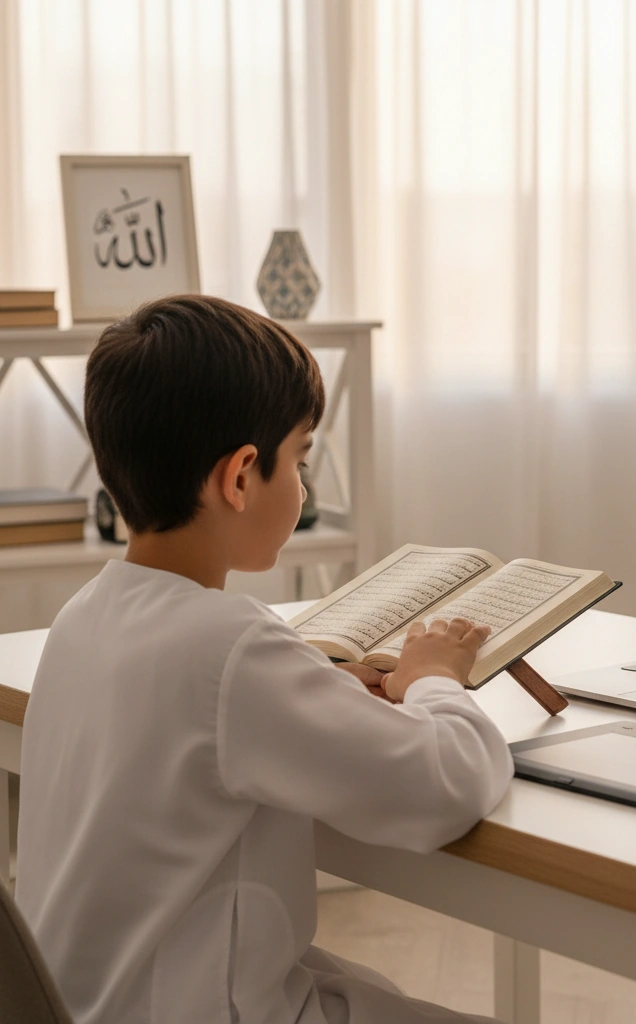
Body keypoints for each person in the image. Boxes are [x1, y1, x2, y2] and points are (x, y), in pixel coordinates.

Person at [15, 296, 514, 1024]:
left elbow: (204, 718)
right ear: (241, 476)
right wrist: (434, 677)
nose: (305, 484)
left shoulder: (83, 618)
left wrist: (317, 687)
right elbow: (446, 784)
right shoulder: (232, 649)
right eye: (302, 457)